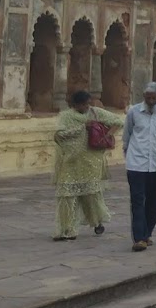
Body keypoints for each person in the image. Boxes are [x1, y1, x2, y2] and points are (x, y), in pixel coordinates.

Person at [53, 90, 124, 242]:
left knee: (91, 194)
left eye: (87, 103)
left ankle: (97, 221)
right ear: (74, 104)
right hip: (71, 161)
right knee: (67, 195)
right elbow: (59, 135)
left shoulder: (95, 112)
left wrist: (107, 135)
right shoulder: (66, 116)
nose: (85, 107)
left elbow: (118, 122)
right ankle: (67, 229)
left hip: (92, 160)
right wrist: (82, 128)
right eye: (82, 104)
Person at [119, 81, 156, 252]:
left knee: (155, 201)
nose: (151, 100)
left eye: (154, 98)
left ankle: (147, 232)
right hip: (136, 163)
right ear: (144, 96)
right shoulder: (134, 111)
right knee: (137, 201)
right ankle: (139, 238)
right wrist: (128, 154)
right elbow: (127, 134)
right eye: (148, 97)